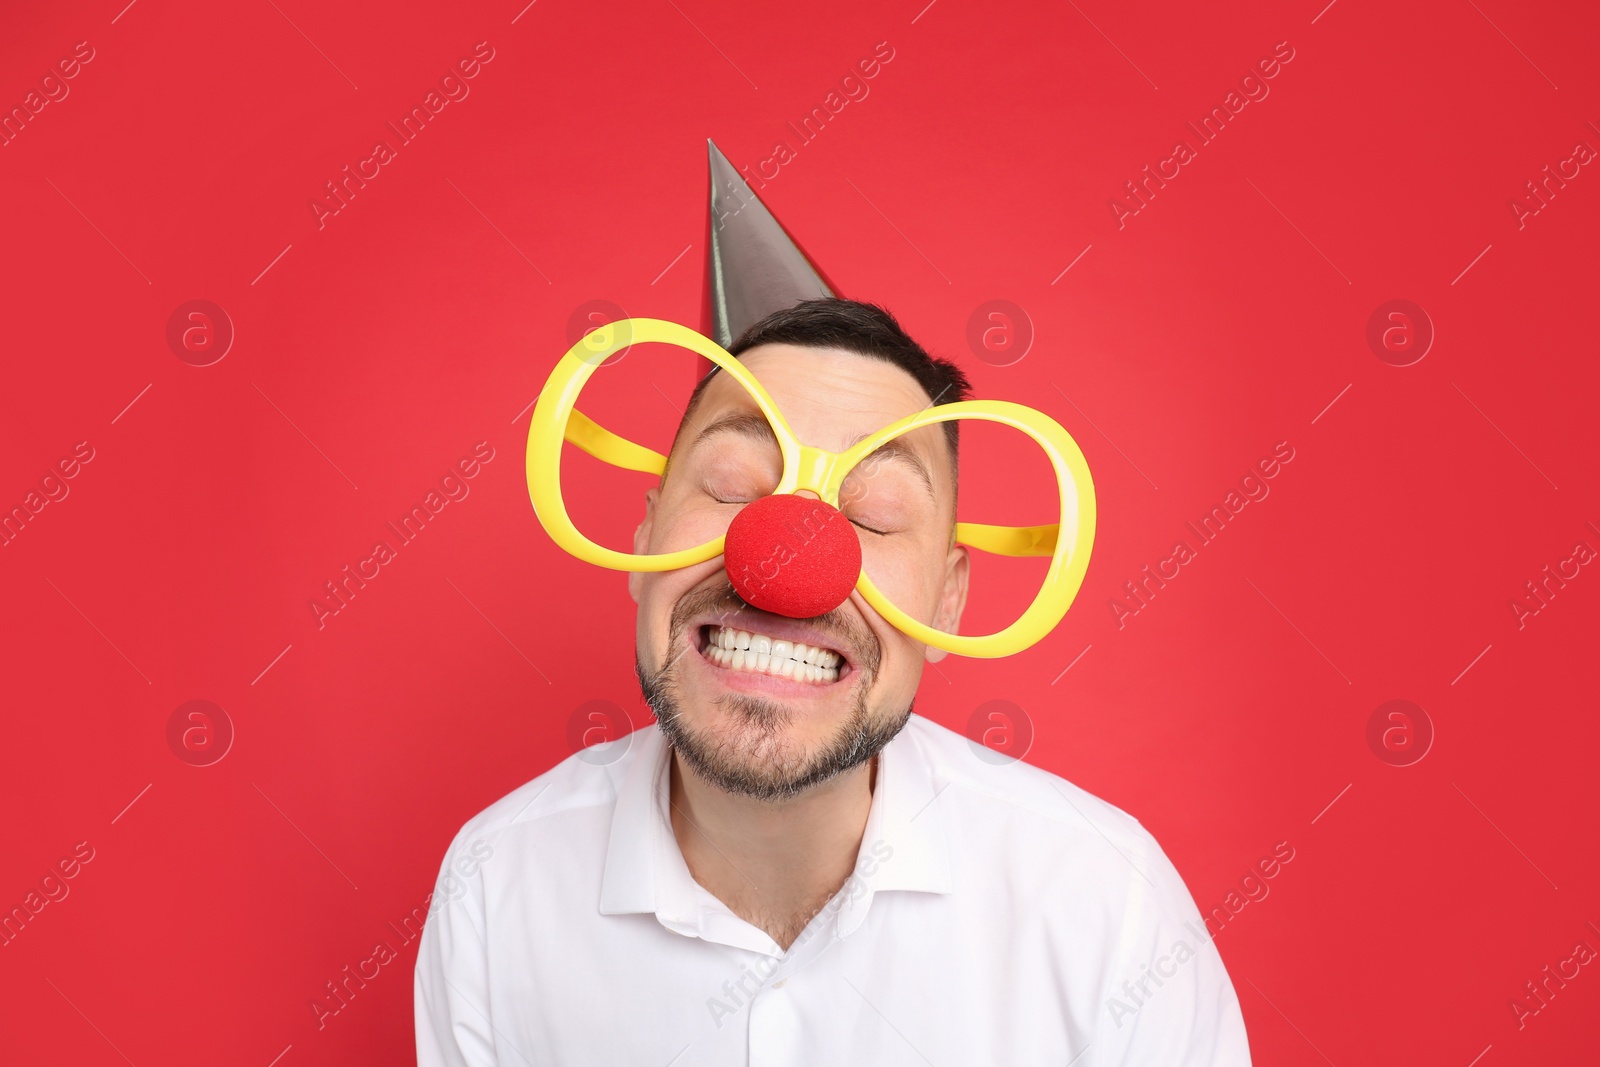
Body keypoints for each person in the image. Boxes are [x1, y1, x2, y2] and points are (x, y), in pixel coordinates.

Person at [414, 293, 1251, 1065]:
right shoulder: (495, 886)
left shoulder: (1108, 905)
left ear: (950, 599)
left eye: (875, 514)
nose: (783, 558)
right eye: (732, 485)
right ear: (645, 536)